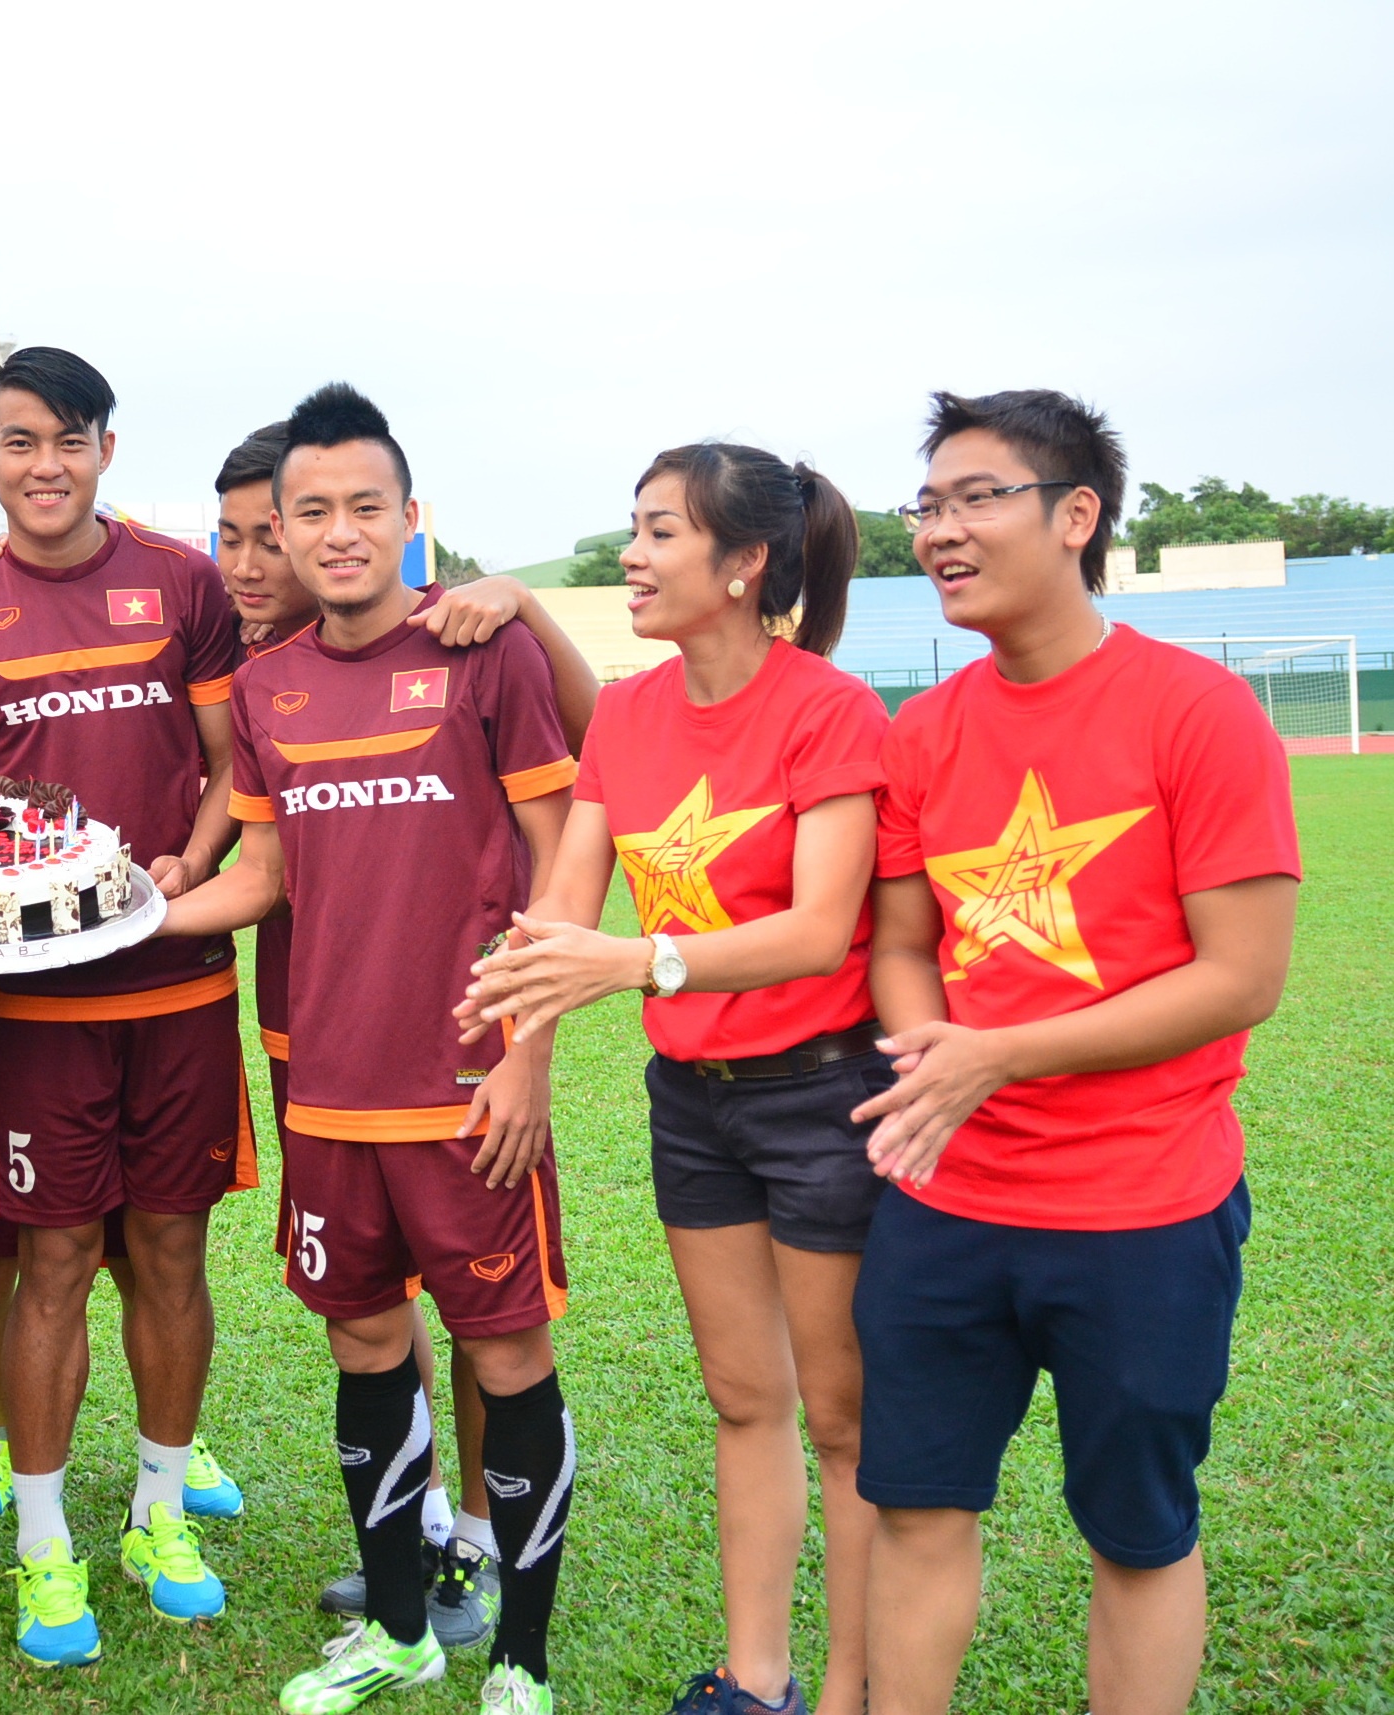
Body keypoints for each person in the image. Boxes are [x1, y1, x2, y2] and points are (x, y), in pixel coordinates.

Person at [852, 391, 1298, 1715]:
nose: (938, 530)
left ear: (1075, 515)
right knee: (913, 1507)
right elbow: (902, 941)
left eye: (975, 497)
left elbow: (1240, 975)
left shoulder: (1195, 709)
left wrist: (997, 1052)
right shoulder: (922, 733)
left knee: (1136, 1526)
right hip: (945, 1203)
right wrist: (932, 1056)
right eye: (926, 504)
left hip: (1144, 1207)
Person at [158, 384, 579, 1715]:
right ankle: (399, 1632)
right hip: (330, 1091)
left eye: (362, 507)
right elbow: (263, 874)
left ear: (408, 518)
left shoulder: (482, 653)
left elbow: (565, 858)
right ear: (277, 531)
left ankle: (520, 1658)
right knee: (363, 1344)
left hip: (468, 1088)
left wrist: (526, 1051)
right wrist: (121, 919)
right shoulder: (267, 686)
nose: (336, 532)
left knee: (506, 1355)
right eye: (310, 512)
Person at [459, 443, 886, 1715]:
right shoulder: (632, 715)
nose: (630, 556)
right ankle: (755, 1679)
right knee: (743, 1398)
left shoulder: (829, 710)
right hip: (693, 1102)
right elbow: (561, 903)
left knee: (841, 1419)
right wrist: (517, 1039)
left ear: (744, 561)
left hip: (822, 1098)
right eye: (630, 529)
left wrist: (637, 960)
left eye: (658, 532)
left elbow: (820, 928)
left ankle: (853, 1688)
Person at [0, 345, 250, 1663]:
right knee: (48, 1262)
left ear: (105, 446)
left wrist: (187, 867)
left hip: (178, 984)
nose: (44, 464)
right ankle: (46, 1545)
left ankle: (159, 1511)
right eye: (19, 440)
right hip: (37, 1006)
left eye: (68, 438)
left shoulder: (182, 582)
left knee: (170, 1250)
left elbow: (226, 766)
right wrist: (45, 890)